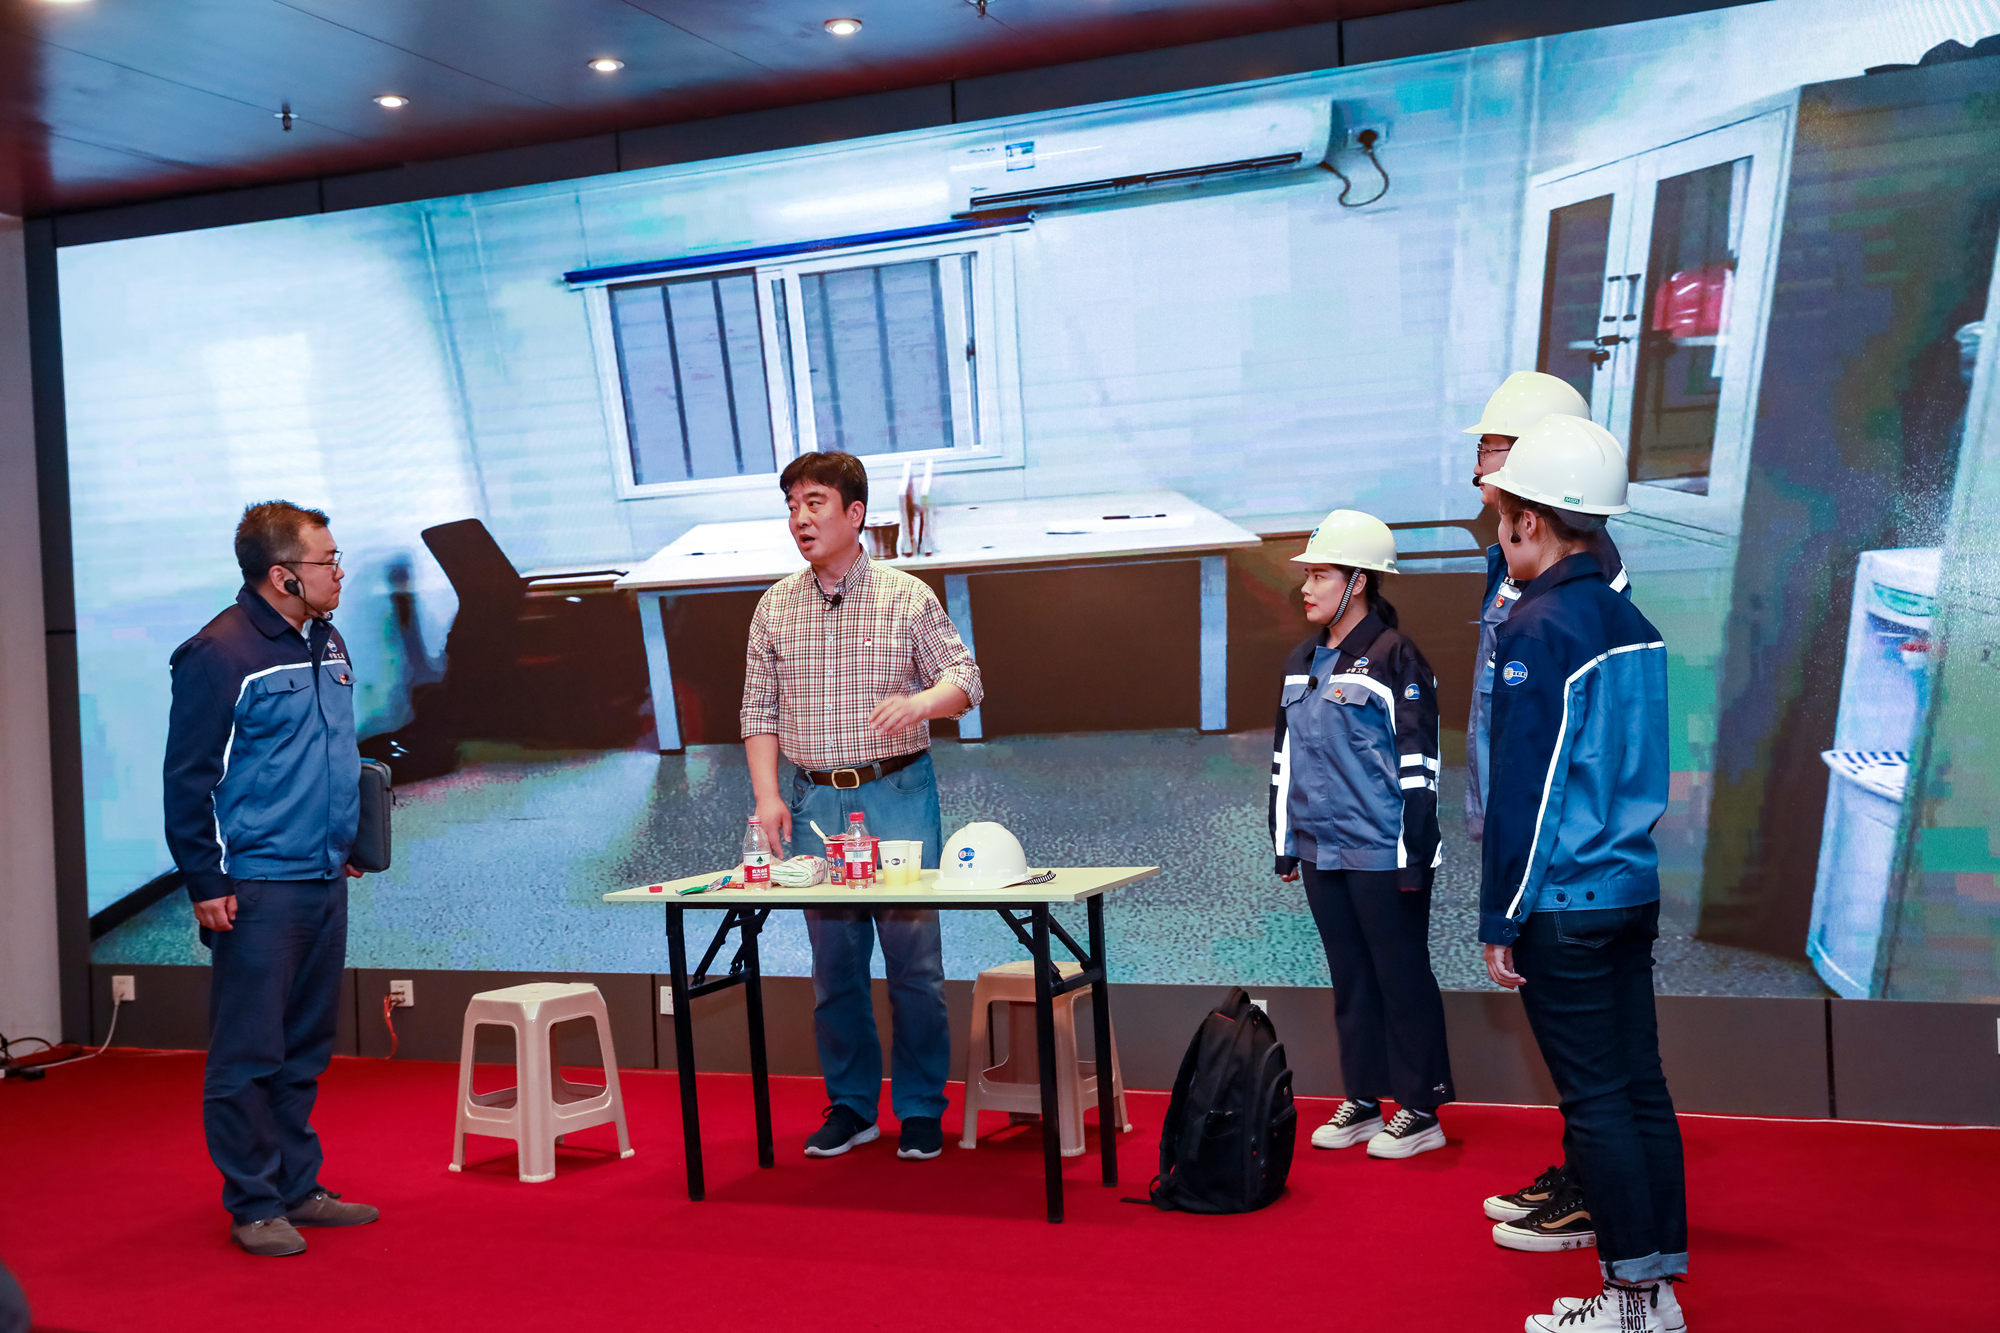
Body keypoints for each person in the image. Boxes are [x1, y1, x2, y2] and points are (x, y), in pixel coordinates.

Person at [1477, 415, 1687, 1333]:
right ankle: (1657, 1290)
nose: (1500, 532)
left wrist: (1501, 915)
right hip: (1630, 888)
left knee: (1598, 1101)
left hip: (1564, 900)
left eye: (1504, 516)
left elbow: (1529, 788)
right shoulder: (1629, 620)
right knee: (1641, 1091)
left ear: (1530, 519)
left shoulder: (1541, 623)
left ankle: (1632, 1300)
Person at [742, 451, 983, 1163]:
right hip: (814, 797)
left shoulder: (907, 597)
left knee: (914, 963)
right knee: (835, 966)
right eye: (792, 505)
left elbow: (966, 681)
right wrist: (767, 795)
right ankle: (851, 1106)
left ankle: (920, 1107)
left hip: (896, 790)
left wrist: (921, 702)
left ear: (854, 514)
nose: (800, 518)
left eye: (814, 502)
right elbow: (758, 710)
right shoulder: (774, 606)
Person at [164, 502, 379, 1257]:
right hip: (256, 884)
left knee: (303, 1049)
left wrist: (347, 835)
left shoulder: (326, 636)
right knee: (248, 1054)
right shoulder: (218, 653)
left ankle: (297, 1188)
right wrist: (205, 880)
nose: (339, 572)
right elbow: (188, 779)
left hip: (324, 874)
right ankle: (254, 1203)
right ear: (283, 576)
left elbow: (331, 750)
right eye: (327, 561)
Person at [1463, 372, 1633, 1254]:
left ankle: (1604, 1207)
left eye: (1492, 448)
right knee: (1583, 1052)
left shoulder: (1582, 580)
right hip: (1524, 820)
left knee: (1594, 1053)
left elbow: (1568, 735)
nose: (1477, 465)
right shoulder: (1511, 559)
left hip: (1564, 856)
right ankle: (1585, 1177)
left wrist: (1509, 896)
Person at [1269, 509, 1454, 1159]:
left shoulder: (1396, 656)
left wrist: (1415, 854)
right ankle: (1366, 1099)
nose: (1306, 587)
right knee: (1350, 977)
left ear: (1359, 582)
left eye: (1320, 574)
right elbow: (1285, 758)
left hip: (1384, 850)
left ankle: (1422, 1108)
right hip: (1322, 850)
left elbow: (1421, 765)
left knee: (1400, 977)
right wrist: (1284, 840)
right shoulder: (1302, 659)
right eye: (1308, 575)